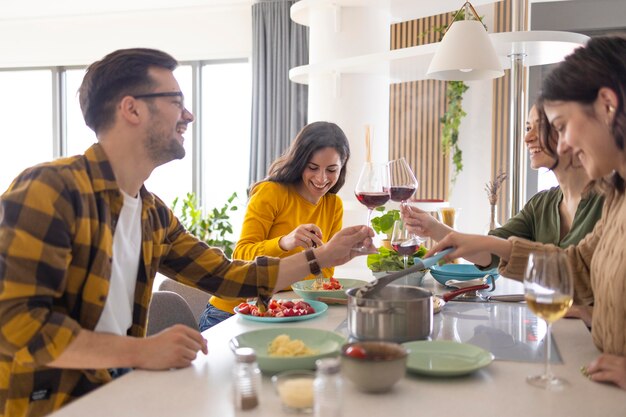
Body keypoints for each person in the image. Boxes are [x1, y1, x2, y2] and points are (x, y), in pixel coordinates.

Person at [0, 48, 375, 417]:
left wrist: (323, 257)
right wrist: (140, 351)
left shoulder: (153, 215)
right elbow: (17, 323)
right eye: (176, 101)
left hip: (118, 388)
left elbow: (226, 276)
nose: (189, 115)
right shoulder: (50, 189)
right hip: (47, 402)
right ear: (131, 109)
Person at [425, 35, 626, 390]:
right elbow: (578, 266)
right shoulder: (617, 199)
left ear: (608, 106)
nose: (561, 144)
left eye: (561, 126)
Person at [402, 104, 604, 275]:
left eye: (540, 127)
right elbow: (491, 251)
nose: (527, 138)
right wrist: (433, 228)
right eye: (527, 128)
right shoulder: (541, 204)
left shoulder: (611, 201)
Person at [199, 121, 350, 330]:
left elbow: (323, 274)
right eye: (313, 167)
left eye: (332, 169)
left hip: (283, 310)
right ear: (300, 162)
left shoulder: (334, 205)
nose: (322, 178)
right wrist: (284, 243)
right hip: (232, 313)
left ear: (341, 168)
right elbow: (240, 255)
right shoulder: (272, 192)